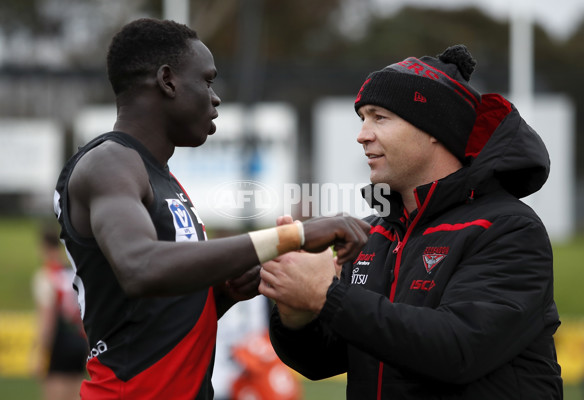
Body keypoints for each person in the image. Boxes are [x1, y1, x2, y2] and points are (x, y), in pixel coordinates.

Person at [52, 18, 370, 399]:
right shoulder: (110, 163)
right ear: (168, 81)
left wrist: (224, 292)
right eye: (206, 80)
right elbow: (139, 268)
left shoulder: (160, 176)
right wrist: (295, 234)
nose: (215, 97)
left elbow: (154, 317)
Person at [260, 45, 563, 399]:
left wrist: (328, 296)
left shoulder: (510, 228)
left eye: (379, 117)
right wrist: (297, 312)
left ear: (434, 128)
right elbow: (322, 361)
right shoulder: (374, 233)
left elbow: (459, 349)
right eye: (362, 118)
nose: (362, 134)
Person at [31, 225, 88, 400]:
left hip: (60, 342)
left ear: (44, 247)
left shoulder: (46, 275)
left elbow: (47, 318)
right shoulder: (74, 273)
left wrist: (39, 352)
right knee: (76, 394)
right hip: (80, 341)